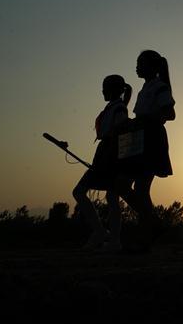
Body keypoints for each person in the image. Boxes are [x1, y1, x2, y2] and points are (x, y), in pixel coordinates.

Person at [117, 50, 176, 249]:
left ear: (152, 67)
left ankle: (147, 234)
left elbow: (170, 113)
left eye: (140, 63)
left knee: (140, 189)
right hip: (138, 137)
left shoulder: (159, 87)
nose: (137, 67)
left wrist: (143, 121)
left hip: (151, 138)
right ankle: (153, 225)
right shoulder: (145, 89)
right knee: (124, 186)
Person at [72, 75, 131, 250]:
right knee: (109, 197)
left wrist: (113, 160)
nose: (102, 91)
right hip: (106, 153)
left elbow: (121, 133)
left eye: (104, 88)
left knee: (94, 194)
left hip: (111, 155)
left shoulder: (118, 108)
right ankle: (108, 237)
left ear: (112, 89)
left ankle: (107, 237)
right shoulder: (114, 107)